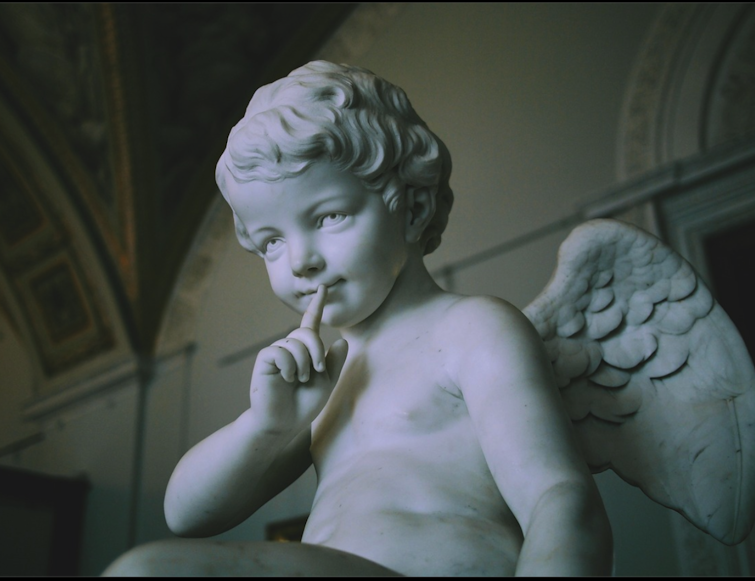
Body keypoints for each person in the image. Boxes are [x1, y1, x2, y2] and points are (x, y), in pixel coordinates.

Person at [104, 61, 612, 576]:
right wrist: (267, 426)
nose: (300, 260)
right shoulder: (324, 377)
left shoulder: (471, 330)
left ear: (412, 209)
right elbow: (186, 515)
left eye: (328, 216)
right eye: (271, 242)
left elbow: (561, 499)